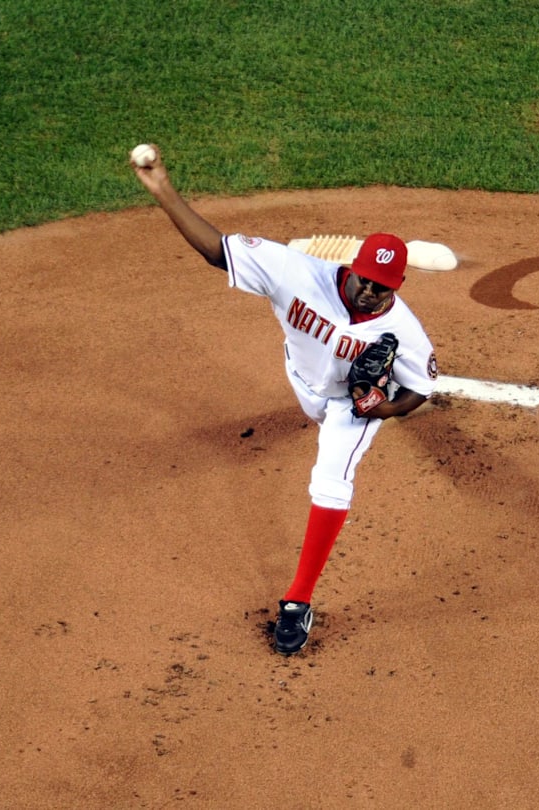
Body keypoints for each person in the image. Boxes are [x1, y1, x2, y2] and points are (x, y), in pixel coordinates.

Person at [131, 144, 439, 655]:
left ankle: (298, 601)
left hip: (349, 404)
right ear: (352, 267)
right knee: (308, 406)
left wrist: (379, 408)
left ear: (398, 286)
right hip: (301, 377)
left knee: (331, 482)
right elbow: (216, 250)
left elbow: (420, 390)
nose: (371, 293)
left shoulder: (404, 330)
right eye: (366, 280)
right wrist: (163, 188)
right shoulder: (297, 273)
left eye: (383, 288)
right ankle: (320, 414)